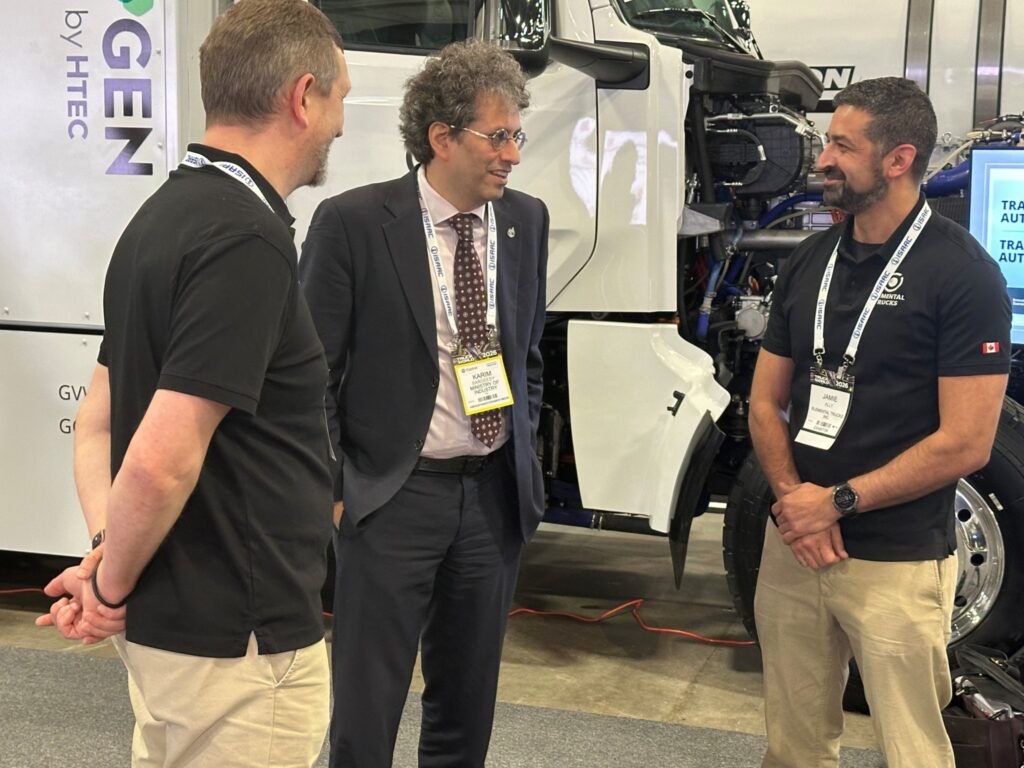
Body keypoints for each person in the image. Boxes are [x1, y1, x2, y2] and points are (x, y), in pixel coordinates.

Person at [35, 1, 349, 765]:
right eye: (339, 97)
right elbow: (159, 458)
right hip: (238, 647)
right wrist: (108, 586)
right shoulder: (245, 237)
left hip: (177, 636)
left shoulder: (159, 220)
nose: (340, 123)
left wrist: (111, 555)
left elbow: (99, 425)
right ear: (302, 95)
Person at [299, 40, 548, 768]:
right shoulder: (353, 224)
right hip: (391, 501)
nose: (513, 155)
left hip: (492, 498)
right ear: (442, 138)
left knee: (465, 708)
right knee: (366, 712)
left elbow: (525, 356)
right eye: (497, 136)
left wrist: (520, 462)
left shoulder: (523, 222)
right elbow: (312, 374)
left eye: (516, 135)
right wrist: (340, 494)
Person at [748, 76, 1011, 768]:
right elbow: (765, 402)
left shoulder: (964, 276)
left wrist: (835, 502)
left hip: (896, 559)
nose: (823, 159)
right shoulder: (810, 261)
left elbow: (966, 441)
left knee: (914, 750)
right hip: (796, 546)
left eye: (842, 145)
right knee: (794, 746)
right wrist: (793, 503)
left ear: (898, 159)